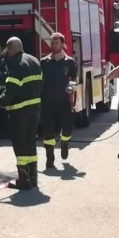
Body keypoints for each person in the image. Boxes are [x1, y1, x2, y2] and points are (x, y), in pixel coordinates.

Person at [0, 36, 42, 189]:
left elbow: (10, 91)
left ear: (10, 48)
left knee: (20, 144)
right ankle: (33, 178)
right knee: (30, 142)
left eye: (7, 49)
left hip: (19, 112)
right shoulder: (34, 60)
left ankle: (23, 180)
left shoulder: (16, 64)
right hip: (35, 110)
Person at [39, 32, 78, 169]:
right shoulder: (44, 62)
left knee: (67, 128)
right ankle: (50, 157)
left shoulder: (70, 62)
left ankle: (65, 144)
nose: (54, 45)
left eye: (56, 42)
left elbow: (74, 80)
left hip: (64, 102)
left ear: (62, 44)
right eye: (52, 42)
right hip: (47, 102)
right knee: (47, 131)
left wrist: (71, 87)